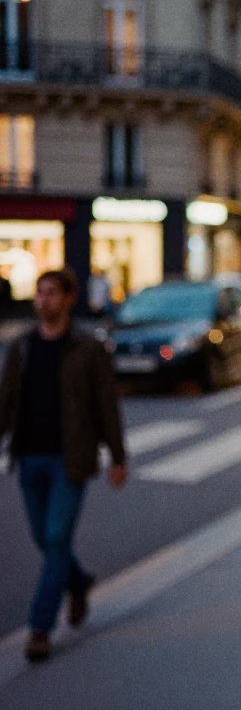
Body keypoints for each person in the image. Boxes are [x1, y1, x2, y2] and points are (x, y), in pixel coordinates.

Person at [0, 267, 127, 663]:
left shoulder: (87, 349)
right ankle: (77, 582)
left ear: (69, 299)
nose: (44, 300)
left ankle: (40, 628)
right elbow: (6, 403)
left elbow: (107, 405)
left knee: (56, 538)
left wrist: (118, 457)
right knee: (43, 538)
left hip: (69, 460)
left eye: (52, 293)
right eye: (40, 293)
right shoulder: (22, 347)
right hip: (29, 456)